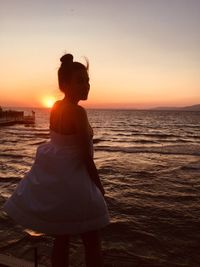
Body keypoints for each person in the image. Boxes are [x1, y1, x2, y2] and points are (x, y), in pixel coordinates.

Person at [3, 53, 110, 267]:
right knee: (92, 242)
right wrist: (98, 186)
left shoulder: (56, 107)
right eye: (80, 81)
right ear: (65, 84)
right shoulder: (78, 112)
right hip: (78, 182)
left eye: (88, 80)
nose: (87, 85)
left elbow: (59, 145)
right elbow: (84, 156)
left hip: (61, 182)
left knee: (62, 237)